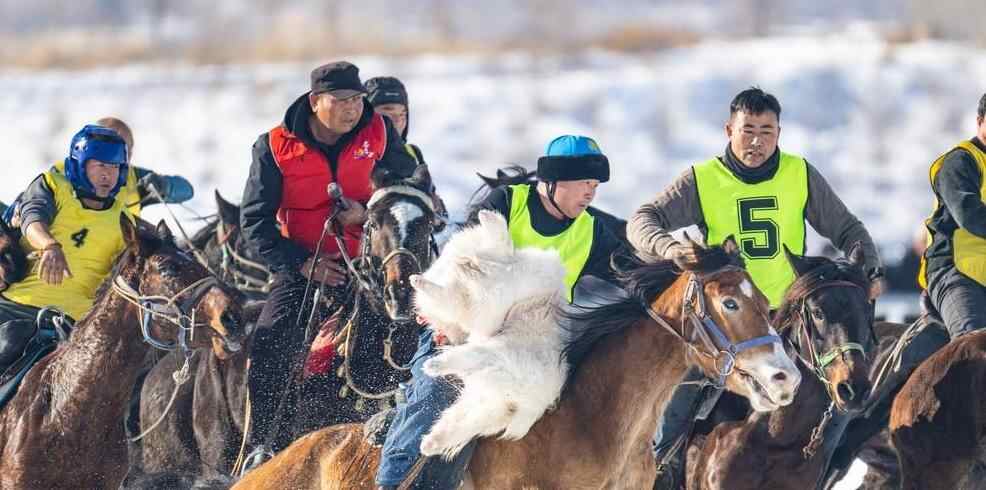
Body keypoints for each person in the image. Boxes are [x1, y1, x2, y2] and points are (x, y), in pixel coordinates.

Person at [627, 87, 884, 484]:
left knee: (846, 398)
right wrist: (669, 247)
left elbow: (848, 229)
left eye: (767, 131)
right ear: (729, 129)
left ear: (779, 134)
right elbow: (642, 220)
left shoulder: (800, 174)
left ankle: (831, 472)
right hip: (727, 329)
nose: (757, 141)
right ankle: (660, 472)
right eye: (748, 130)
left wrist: (869, 271)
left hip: (790, 321)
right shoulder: (703, 179)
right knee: (680, 404)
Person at [375, 135, 626, 490]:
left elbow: (635, 270)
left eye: (595, 185)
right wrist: (443, 318)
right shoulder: (508, 202)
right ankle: (393, 482)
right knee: (438, 394)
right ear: (554, 181)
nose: (591, 193)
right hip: (461, 332)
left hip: (528, 351)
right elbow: (460, 258)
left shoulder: (593, 232)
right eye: (585, 183)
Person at [239, 61, 418, 466]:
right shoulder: (273, 147)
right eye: (340, 101)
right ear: (315, 101)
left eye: (356, 99)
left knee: (422, 330)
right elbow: (254, 223)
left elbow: (408, 187)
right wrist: (302, 264)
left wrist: (368, 213)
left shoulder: (380, 132)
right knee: (271, 338)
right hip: (304, 266)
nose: (353, 108)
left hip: (373, 265)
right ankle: (262, 443)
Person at [0, 125, 134, 369]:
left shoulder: (125, 221)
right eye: (100, 166)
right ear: (80, 165)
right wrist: (50, 245)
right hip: (14, 306)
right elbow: (32, 219)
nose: (108, 174)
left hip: (72, 325)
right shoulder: (52, 185)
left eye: (115, 167)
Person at [2, 116, 194, 230]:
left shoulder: (137, 178)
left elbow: (187, 190)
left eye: (125, 148)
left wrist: (164, 186)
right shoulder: (60, 174)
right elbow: (30, 208)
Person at [919, 91, 986, 338]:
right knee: (976, 345)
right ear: (980, 121)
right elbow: (970, 216)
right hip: (955, 272)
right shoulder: (961, 162)